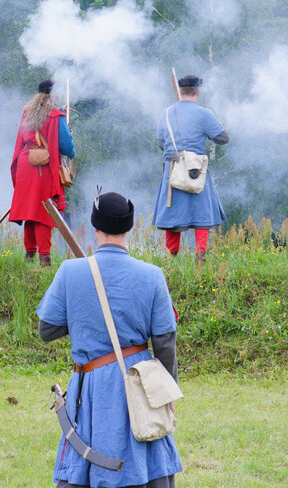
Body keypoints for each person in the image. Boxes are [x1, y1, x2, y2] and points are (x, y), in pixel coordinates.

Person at [37, 192, 183, 488]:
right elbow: (165, 343)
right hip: (141, 383)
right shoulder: (152, 275)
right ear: (128, 229)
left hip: (91, 385)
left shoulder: (70, 271)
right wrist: (167, 393)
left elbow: (47, 330)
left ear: (96, 227)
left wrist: (83, 316)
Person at [151, 75, 229, 261]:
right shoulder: (204, 114)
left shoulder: (166, 113)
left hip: (172, 168)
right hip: (195, 169)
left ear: (180, 91)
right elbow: (223, 138)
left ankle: (172, 260)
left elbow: (162, 143)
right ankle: (200, 257)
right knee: (202, 214)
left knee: (172, 214)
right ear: (198, 91)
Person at [8, 79, 75, 266]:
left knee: (30, 211)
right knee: (45, 212)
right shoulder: (55, 116)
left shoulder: (28, 112)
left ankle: (29, 254)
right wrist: (71, 147)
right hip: (43, 168)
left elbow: (27, 134)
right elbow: (66, 146)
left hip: (25, 164)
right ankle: (44, 258)